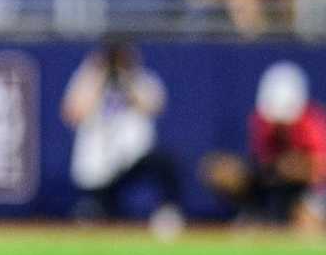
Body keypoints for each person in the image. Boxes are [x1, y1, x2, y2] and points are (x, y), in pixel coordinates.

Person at [62, 40, 184, 231]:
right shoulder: (87, 79)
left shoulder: (141, 78)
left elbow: (154, 106)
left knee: (164, 163)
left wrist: (127, 79)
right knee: (98, 211)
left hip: (134, 155)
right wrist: (97, 76)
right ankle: (95, 212)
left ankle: (167, 213)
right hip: (100, 161)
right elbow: (73, 113)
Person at [202, 63, 326, 232]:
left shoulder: (311, 124)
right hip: (272, 185)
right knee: (220, 171)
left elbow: (319, 171)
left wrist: (295, 167)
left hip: (307, 191)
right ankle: (255, 214)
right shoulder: (261, 121)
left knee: (307, 221)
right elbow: (263, 164)